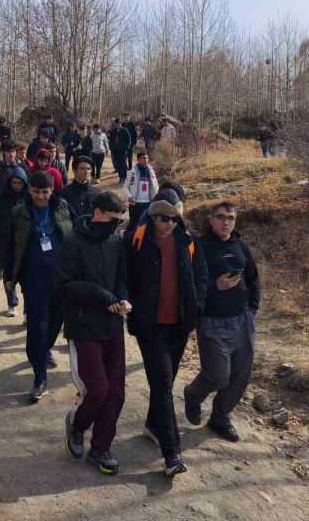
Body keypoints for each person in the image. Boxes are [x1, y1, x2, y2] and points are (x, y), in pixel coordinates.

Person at [126, 195, 207, 477]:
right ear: (153, 216)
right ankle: (172, 453)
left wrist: (197, 305)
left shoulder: (188, 241)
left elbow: (201, 276)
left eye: (175, 219)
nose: (170, 224)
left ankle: (152, 424)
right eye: (164, 218)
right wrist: (132, 307)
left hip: (179, 324)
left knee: (166, 381)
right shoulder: (136, 239)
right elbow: (125, 276)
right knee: (161, 382)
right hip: (150, 325)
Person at [58, 191, 131, 476]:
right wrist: (103, 297)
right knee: (98, 389)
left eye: (119, 221)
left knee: (116, 393)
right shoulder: (72, 241)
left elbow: (122, 277)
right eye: (113, 219)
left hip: (113, 327)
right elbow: (64, 285)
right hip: (83, 327)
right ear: (97, 213)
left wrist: (122, 298)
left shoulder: (116, 241)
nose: (116, 225)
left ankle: (101, 447)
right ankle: (77, 426)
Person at [184, 202, 260, 443]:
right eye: (221, 217)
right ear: (211, 220)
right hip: (212, 321)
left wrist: (252, 308)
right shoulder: (198, 246)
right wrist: (215, 286)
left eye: (231, 218)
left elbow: (253, 278)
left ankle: (220, 417)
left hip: (242, 320)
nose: (226, 222)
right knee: (218, 376)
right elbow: (188, 283)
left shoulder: (241, 247)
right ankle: (193, 395)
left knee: (240, 375)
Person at [3, 171, 74, 401]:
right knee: (37, 326)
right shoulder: (19, 213)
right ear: (29, 190)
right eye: (36, 192)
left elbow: (76, 235)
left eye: (45, 192)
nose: (40, 196)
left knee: (57, 321)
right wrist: (8, 276)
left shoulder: (62, 207)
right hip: (33, 279)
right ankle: (39, 378)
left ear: (52, 190)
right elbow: (9, 246)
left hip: (61, 278)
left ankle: (41, 351)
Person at [0, 167, 29, 314]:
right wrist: (0, 230)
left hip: (25, 244)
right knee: (8, 275)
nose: (17, 186)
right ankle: (12, 303)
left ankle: (27, 310)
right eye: (14, 182)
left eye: (20, 183)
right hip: (6, 242)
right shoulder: (1, 198)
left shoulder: (29, 198)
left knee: (27, 278)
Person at [123, 150, 158, 230]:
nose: (145, 160)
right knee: (133, 224)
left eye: (146, 158)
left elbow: (156, 186)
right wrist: (129, 196)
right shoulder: (132, 172)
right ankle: (128, 237)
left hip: (148, 203)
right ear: (138, 160)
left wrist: (155, 198)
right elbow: (125, 187)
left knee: (147, 225)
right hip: (135, 203)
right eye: (143, 158)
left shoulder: (151, 172)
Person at [0, 140, 26, 206]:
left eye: (13, 151)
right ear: (4, 152)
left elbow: (27, 187)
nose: (11, 154)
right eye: (8, 151)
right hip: (0, 203)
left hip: (18, 204)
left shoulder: (22, 166)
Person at [107, 118, 132, 183]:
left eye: (118, 124)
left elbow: (129, 140)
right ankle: (121, 177)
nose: (117, 125)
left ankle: (124, 177)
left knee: (123, 163)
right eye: (116, 124)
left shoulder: (125, 130)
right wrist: (111, 148)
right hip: (115, 150)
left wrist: (126, 147)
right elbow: (110, 140)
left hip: (123, 150)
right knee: (117, 163)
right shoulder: (112, 131)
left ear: (120, 124)